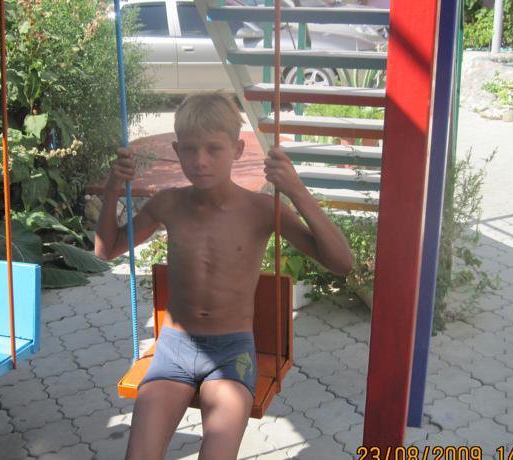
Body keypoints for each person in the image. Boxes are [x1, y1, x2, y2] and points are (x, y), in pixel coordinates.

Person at [94, 92, 354, 460]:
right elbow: (106, 250)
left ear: (237, 149)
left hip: (231, 354)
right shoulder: (168, 203)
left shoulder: (261, 210)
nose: (200, 161)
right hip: (174, 349)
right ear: (176, 150)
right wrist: (111, 191)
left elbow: (342, 263)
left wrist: (296, 190)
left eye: (213, 149)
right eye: (190, 149)